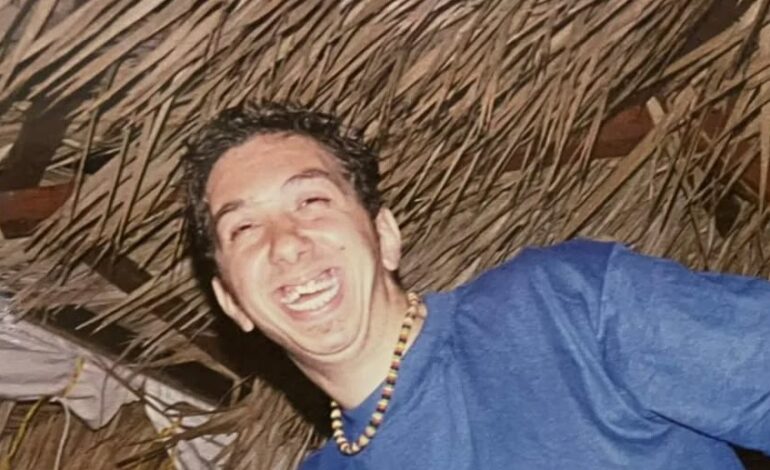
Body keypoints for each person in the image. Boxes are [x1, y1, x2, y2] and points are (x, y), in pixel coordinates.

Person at [184, 102, 770, 469]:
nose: (285, 243)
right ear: (233, 303)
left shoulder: (563, 306)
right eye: (244, 228)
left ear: (385, 236)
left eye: (311, 200)